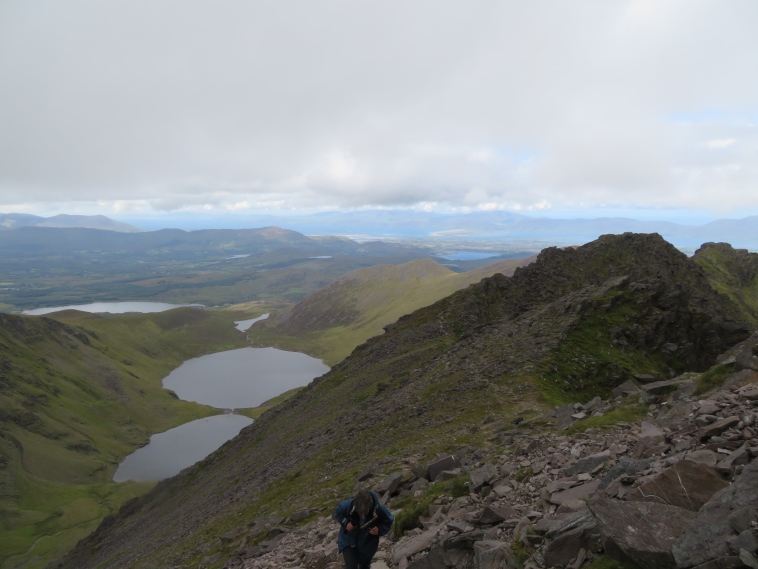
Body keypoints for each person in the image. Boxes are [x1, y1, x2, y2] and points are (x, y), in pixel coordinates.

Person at [333, 489, 394, 569]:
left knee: (364, 566)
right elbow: (337, 512)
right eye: (359, 511)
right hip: (349, 539)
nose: (361, 513)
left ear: (370, 504)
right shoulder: (348, 505)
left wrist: (379, 529)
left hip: (367, 543)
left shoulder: (379, 509)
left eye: (365, 511)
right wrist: (346, 523)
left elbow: (389, 521)